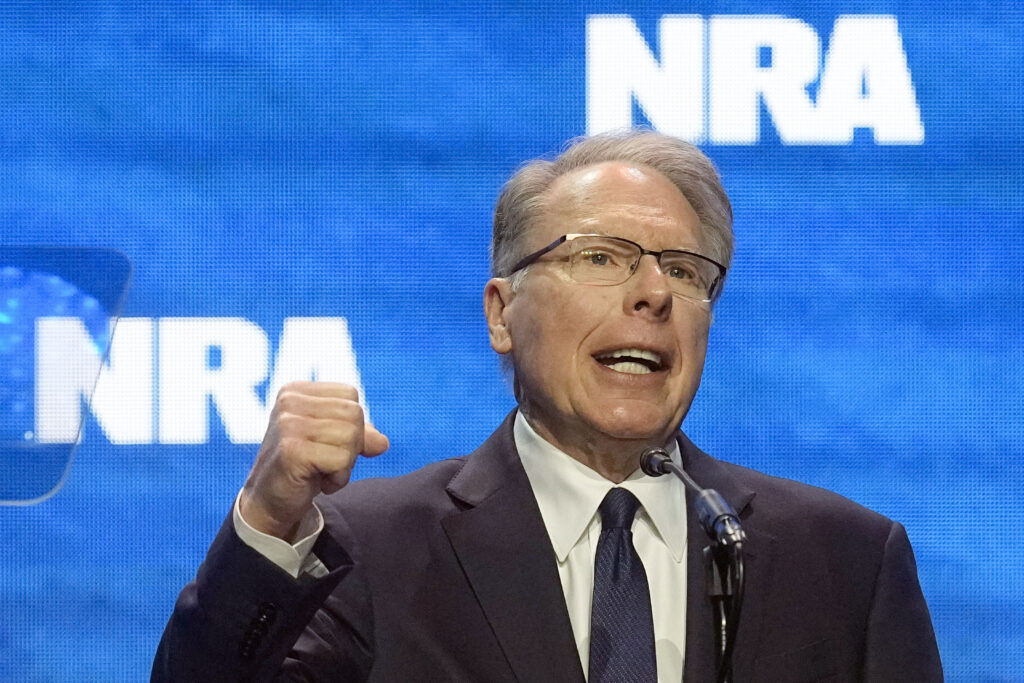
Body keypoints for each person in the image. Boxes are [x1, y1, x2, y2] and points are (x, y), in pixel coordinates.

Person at [153, 129, 942, 682]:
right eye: (601, 257)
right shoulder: (373, 550)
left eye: (687, 269)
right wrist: (266, 519)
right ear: (501, 313)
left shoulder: (845, 562)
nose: (654, 293)